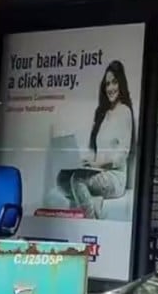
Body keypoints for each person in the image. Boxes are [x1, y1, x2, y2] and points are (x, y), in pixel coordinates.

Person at [57, 60, 135, 219]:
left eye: (114, 82)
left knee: (78, 179)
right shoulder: (103, 113)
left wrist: (97, 164)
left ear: (121, 83)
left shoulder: (125, 112)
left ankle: (90, 220)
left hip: (115, 177)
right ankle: (93, 202)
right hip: (99, 171)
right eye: (107, 84)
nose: (110, 88)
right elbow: (96, 150)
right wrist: (84, 161)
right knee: (62, 179)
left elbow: (122, 155)